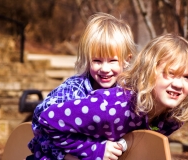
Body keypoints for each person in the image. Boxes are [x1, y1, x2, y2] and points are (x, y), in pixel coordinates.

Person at [38, 33, 188, 160]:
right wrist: (94, 149)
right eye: (170, 73)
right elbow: (48, 120)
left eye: (187, 77)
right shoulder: (111, 108)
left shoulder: (172, 118)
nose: (178, 84)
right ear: (149, 72)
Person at [27, 12, 137, 160]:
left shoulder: (128, 95)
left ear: (126, 60)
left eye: (112, 61)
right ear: (87, 58)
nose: (104, 68)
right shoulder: (72, 91)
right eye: (97, 60)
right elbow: (40, 123)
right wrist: (89, 150)